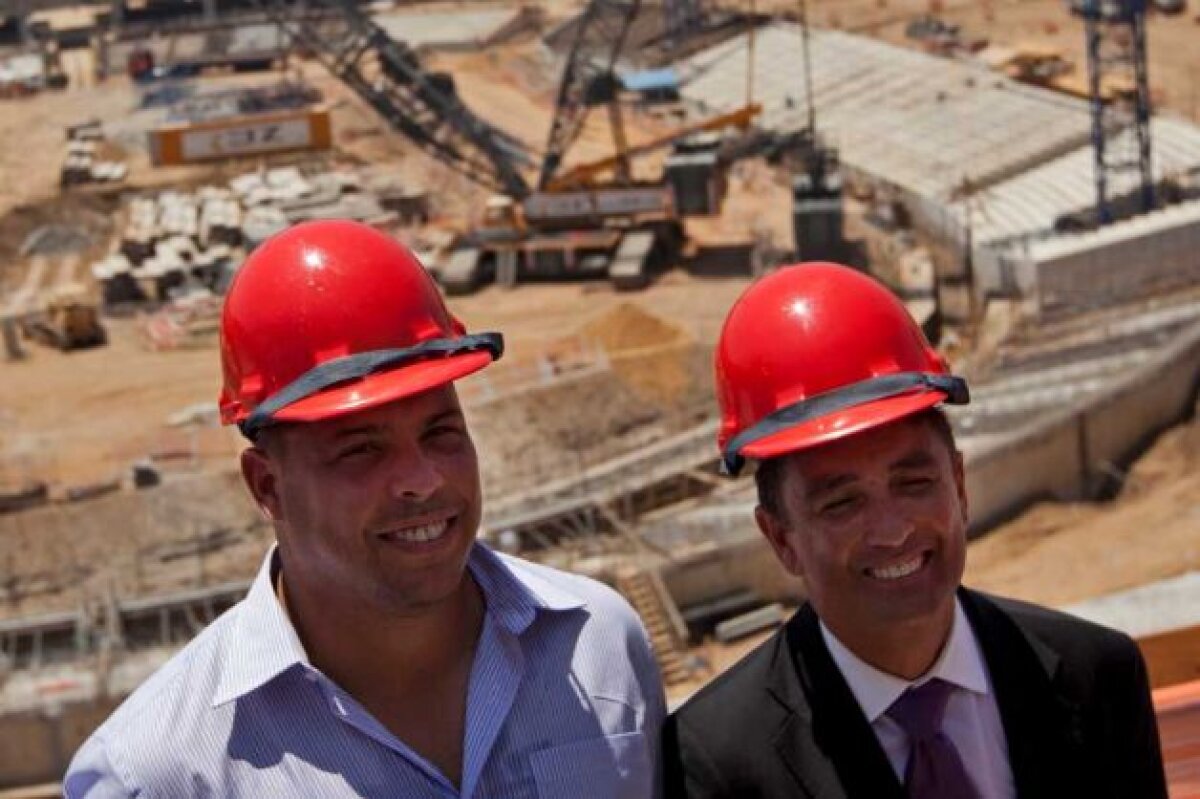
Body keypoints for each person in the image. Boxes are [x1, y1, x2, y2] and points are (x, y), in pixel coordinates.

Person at [65, 220, 665, 798]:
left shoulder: (601, 646)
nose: (421, 479)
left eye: (441, 432)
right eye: (361, 450)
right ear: (267, 487)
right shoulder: (158, 777)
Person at [663, 263, 1167, 799]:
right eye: (843, 502)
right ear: (781, 538)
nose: (893, 529)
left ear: (959, 484)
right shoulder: (714, 764)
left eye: (915, 482)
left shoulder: (1098, 678)